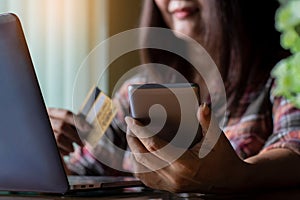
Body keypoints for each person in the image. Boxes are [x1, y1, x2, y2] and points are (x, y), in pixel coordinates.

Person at [48, 0, 300, 193]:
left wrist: (239, 174)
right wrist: (46, 154)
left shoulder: (286, 76)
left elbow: (293, 147)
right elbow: (83, 173)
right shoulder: (136, 89)